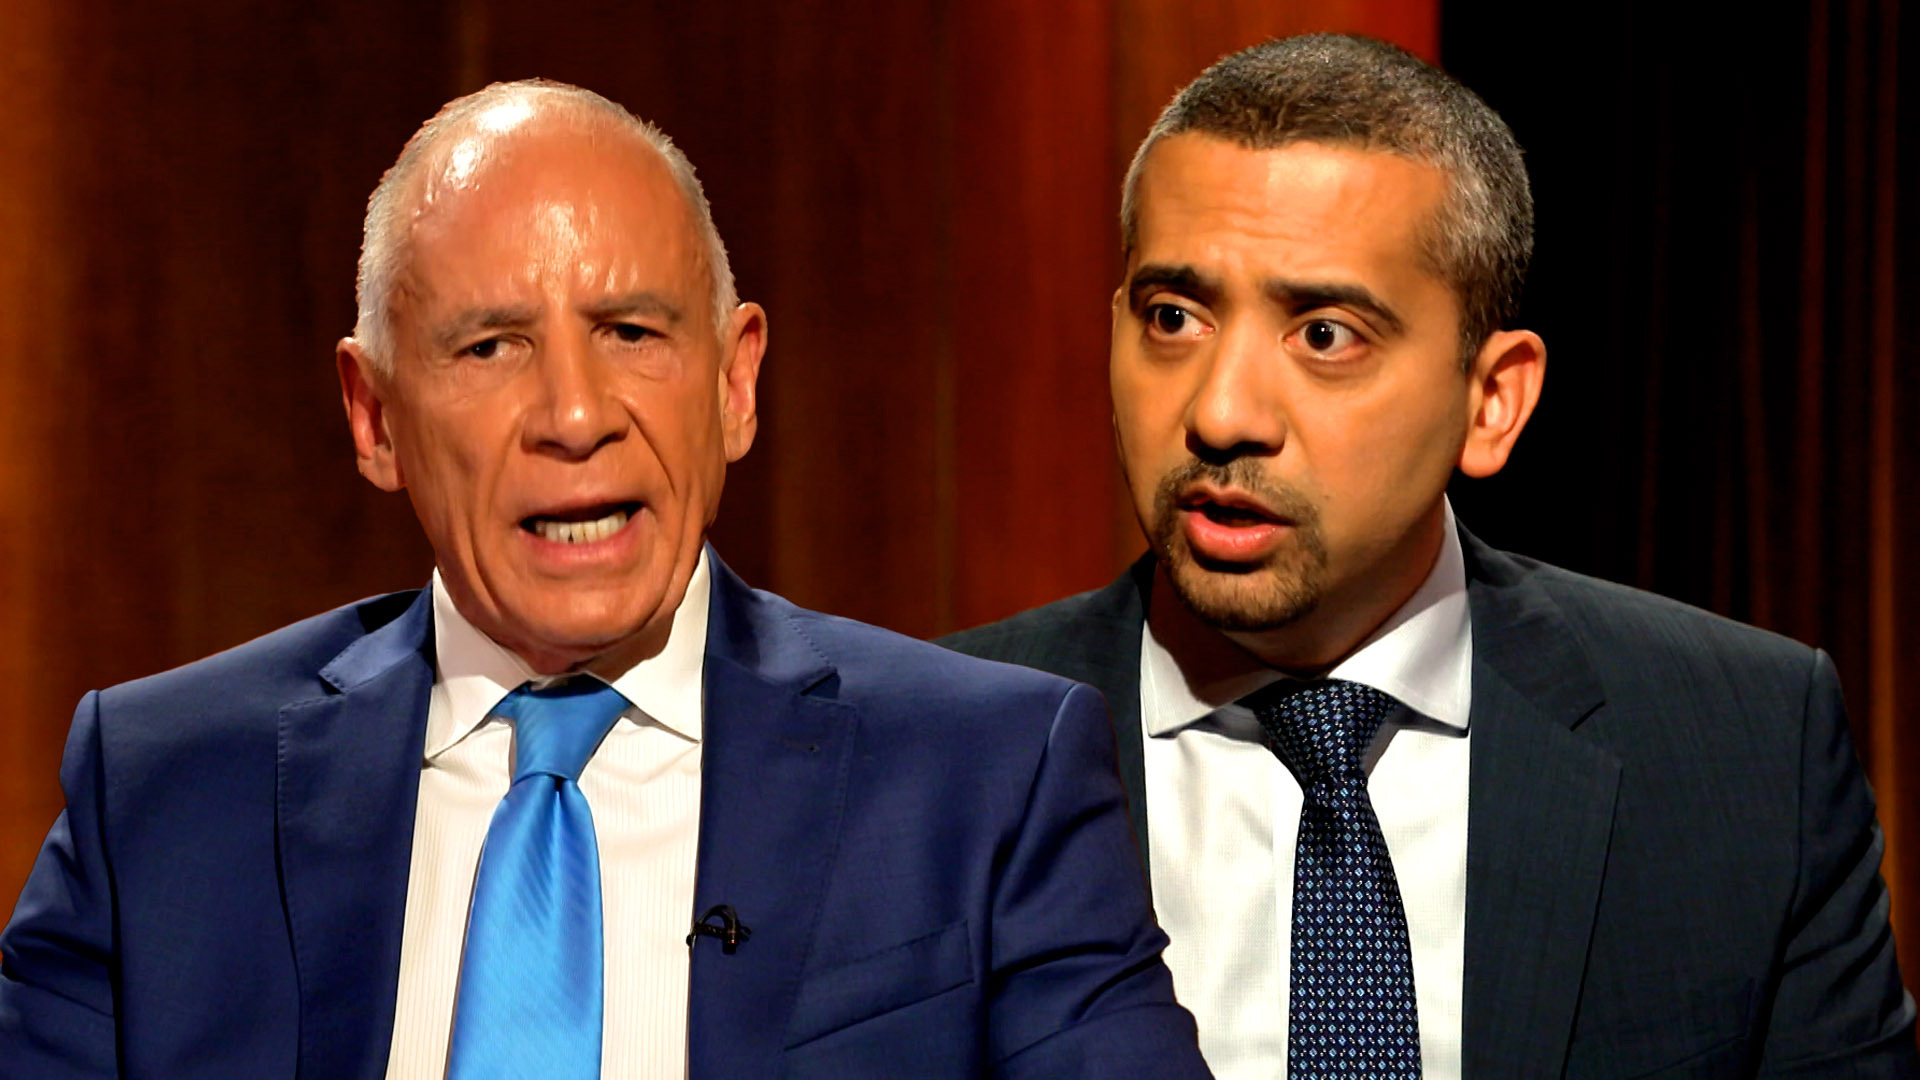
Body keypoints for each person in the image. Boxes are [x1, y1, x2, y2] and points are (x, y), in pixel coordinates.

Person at [0, 80, 1210, 1079]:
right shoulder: (163, 789)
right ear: (374, 416)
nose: (575, 417)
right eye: (490, 347)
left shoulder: (987, 779)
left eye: (633, 333)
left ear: (735, 383)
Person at [942, 34, 1917, 1078]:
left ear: (1492, 400)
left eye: (1325, 335)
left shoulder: (1747, 747)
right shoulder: (931, 752)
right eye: (1173, 318)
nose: (1221, 413)